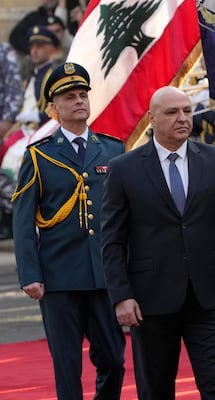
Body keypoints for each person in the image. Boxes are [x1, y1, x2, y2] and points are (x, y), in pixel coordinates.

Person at [101, 86, 215, 400]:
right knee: (155, 390)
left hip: (209, 296)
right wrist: (121, 296)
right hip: (150, 301)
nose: (182, 118)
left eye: (186, 110)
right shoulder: (123, 169)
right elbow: (113, 239)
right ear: (151, 119)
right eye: (172, 112)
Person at [12, 62, 125, 400]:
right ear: (53, 108)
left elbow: (126, 214)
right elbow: (23, 219)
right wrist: (30, 273)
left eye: (82, 95)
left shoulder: (113, 150)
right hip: (59, 278)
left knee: (114, 361)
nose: (79, 101)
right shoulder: (39, 156)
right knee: (67, 366)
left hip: (104, 276)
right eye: (69, 97)